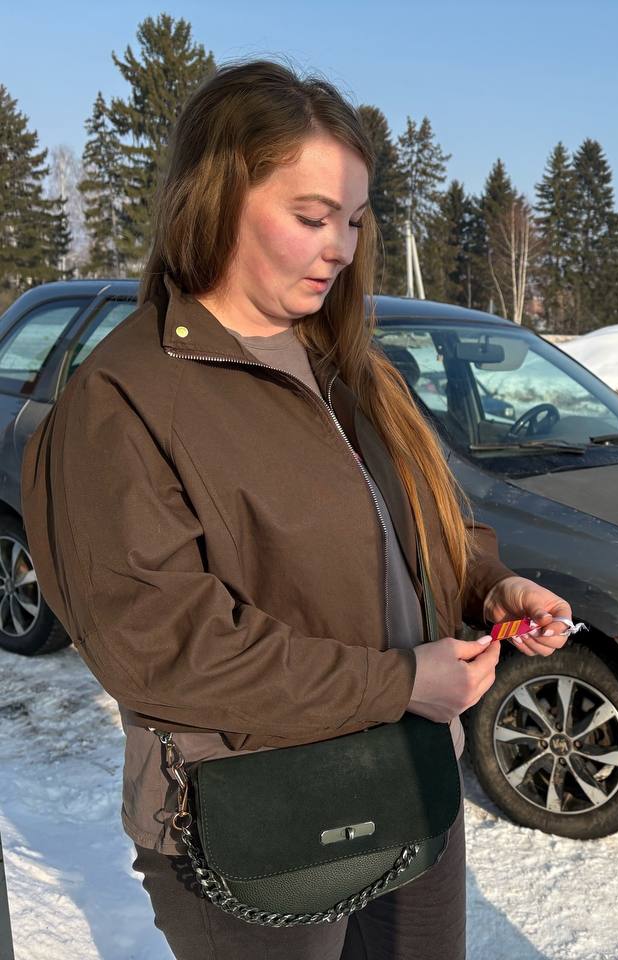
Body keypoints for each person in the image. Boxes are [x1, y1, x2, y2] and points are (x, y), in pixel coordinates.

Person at [20, 59, 574, 959]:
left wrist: (488, 583)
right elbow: (167, 650)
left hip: (405, 776)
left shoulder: (347, 364)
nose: (342, 248)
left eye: (354, 221)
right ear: (215, 200)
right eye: (313, 218)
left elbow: (411, 526)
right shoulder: (123, 400)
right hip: (254, 816)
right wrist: (401, 682)